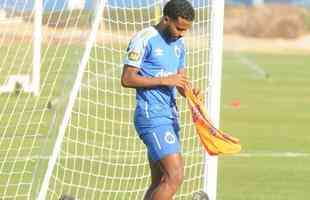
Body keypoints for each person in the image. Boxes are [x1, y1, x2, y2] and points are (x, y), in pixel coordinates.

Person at [121, 0, 197, 199]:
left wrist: (190, 92)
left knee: (160, 181)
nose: (182, 33)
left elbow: (180, 81)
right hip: (151, 116)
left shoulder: (179, 45)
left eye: (186, 30)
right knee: (175, 176)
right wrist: (164, 80)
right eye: (179, 28)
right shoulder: (144, 38)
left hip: (170, 117)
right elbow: (127, 78)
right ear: (166, 19)